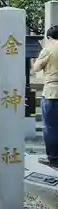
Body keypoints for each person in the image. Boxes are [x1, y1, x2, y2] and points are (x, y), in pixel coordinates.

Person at [33, 25, 58, 168]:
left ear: (49, 37)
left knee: (51, 127)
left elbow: (36, 68)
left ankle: (54, 159)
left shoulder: (48, 49)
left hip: (53, 93)